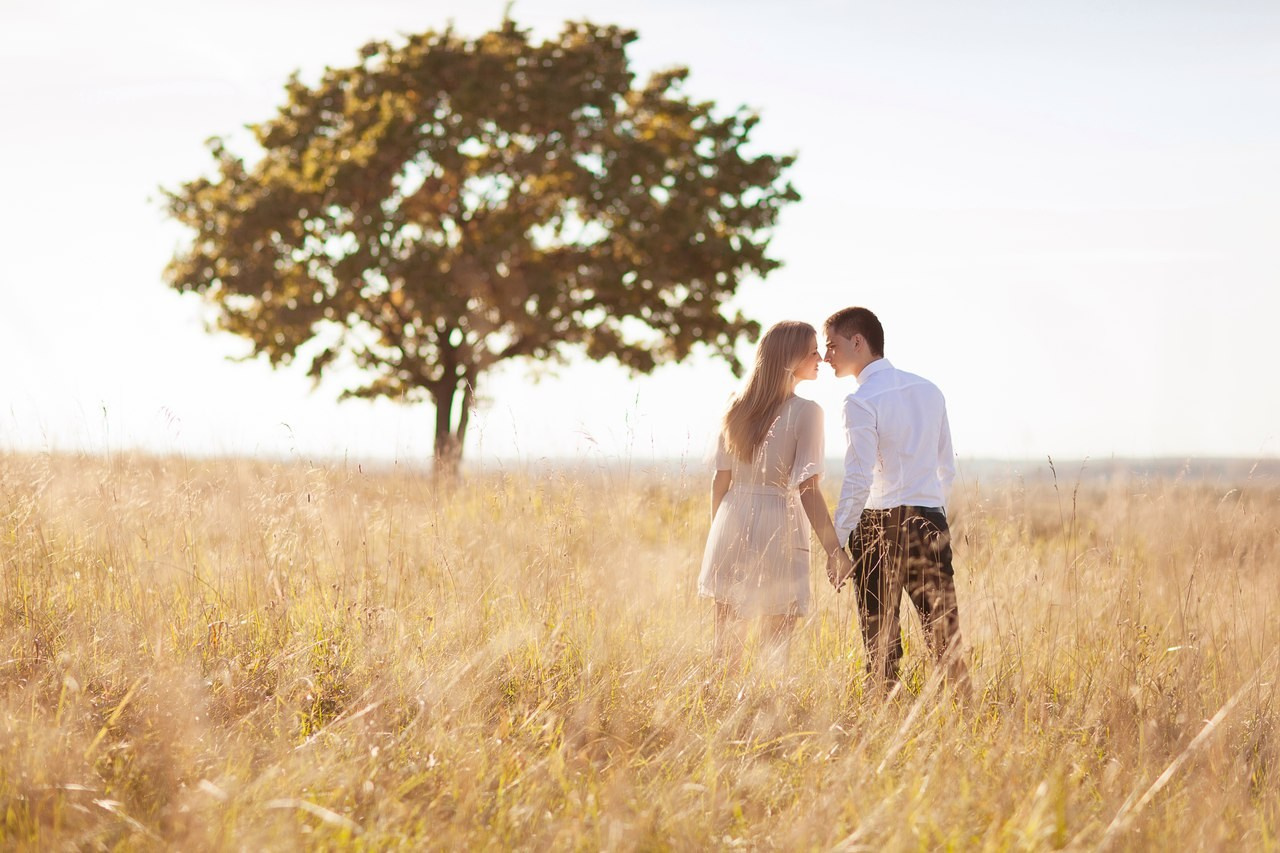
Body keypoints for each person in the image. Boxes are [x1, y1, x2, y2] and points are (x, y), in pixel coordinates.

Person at [823, 306, 970, 693]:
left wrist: (836, 542)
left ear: (858, 341)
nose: (826, 357)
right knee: (944, 634)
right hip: (929, 520)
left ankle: (881, 716)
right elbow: (946, 468)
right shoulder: (929, 390)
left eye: (832, 346)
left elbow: (858, 478)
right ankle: (967, 715)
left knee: (880, 640)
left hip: (876, 525)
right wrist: (932, 513)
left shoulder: (859, 401)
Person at [698, 320, 853, 667]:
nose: (820, 359)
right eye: (813, 351)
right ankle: (770, 715)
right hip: (780, 524)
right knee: (776, 647)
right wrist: (834, 551)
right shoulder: (808, 412)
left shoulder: (736, 405)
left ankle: (723, 709)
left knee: (726, 645)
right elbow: (808, 489)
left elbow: (720, 481)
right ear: (791, 357)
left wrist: (718, 534)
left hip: (731, 520)